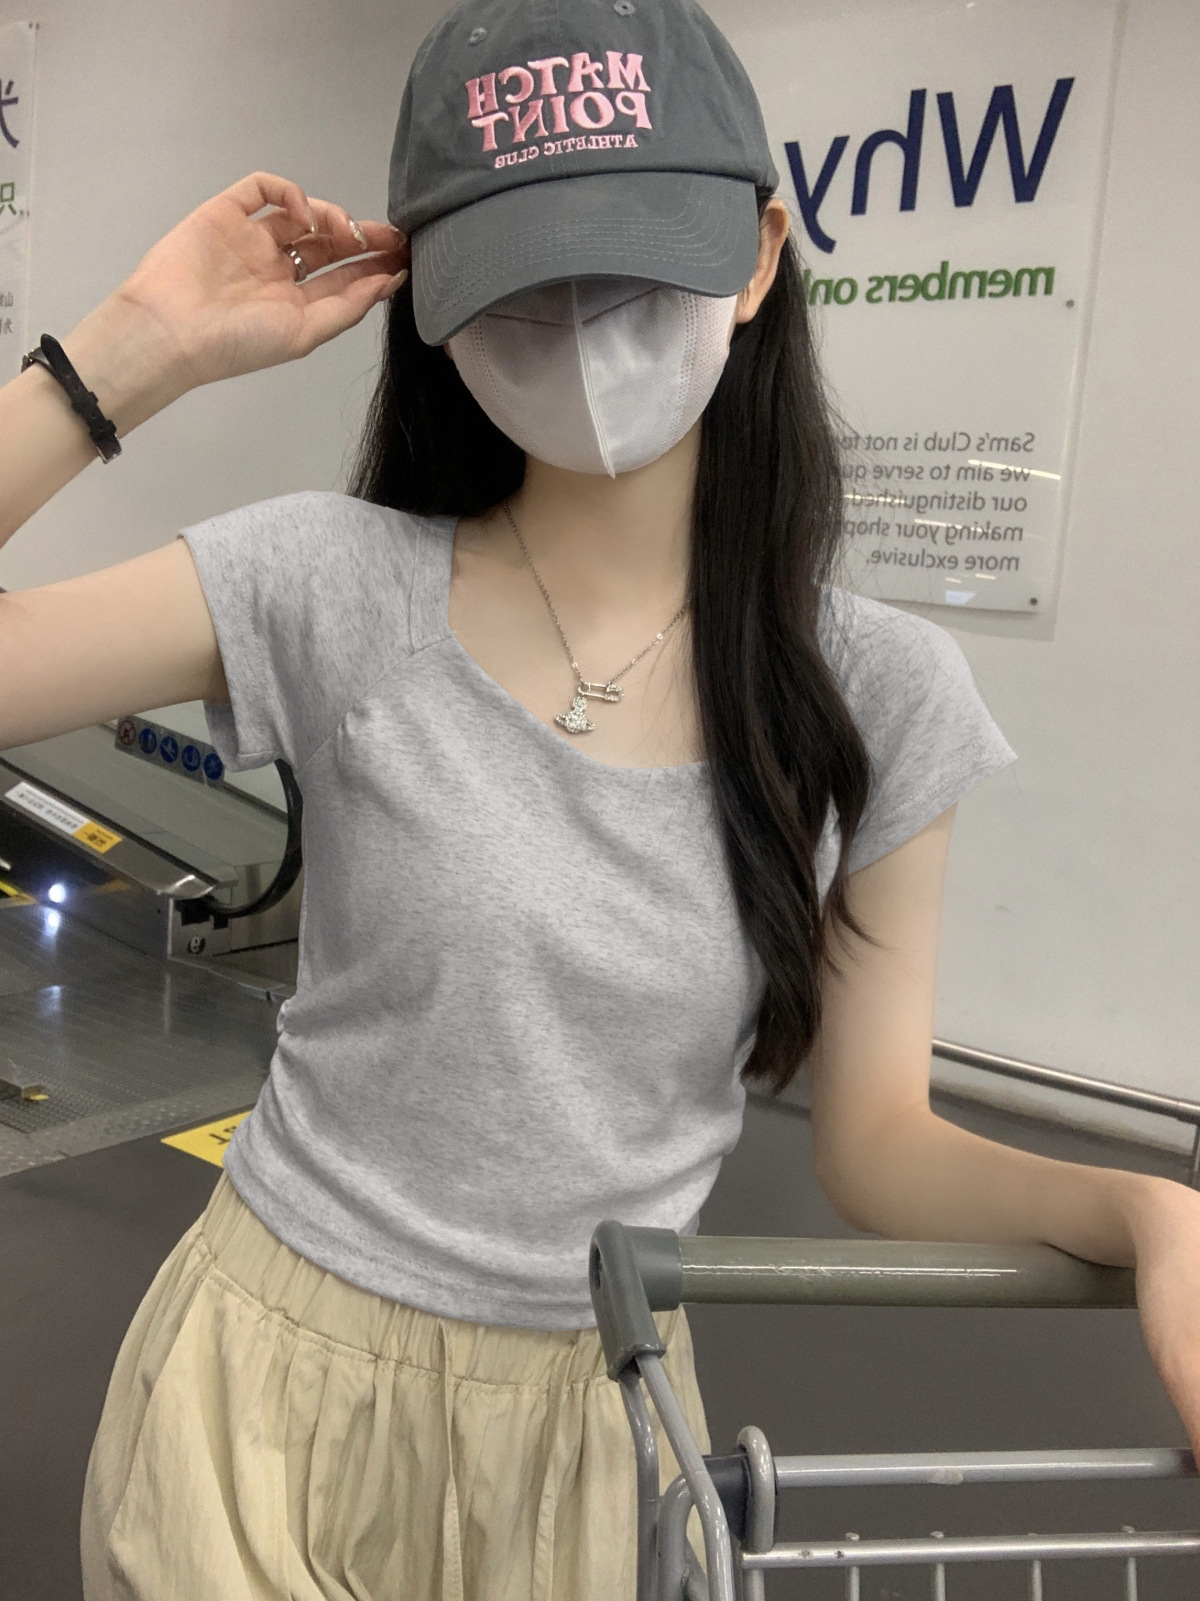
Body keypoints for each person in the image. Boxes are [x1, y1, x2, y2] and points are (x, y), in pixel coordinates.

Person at [2, 0, 1199, 1596]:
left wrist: (1148, 1208)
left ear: (759, 254)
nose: (580, 323)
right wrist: (125, 355)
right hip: (267, 1399)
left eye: (635, 265)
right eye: (522, 279)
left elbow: (879, 1146)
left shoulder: (875, 689)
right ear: (430, 302)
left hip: (591, 1421)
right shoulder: (328, 581)